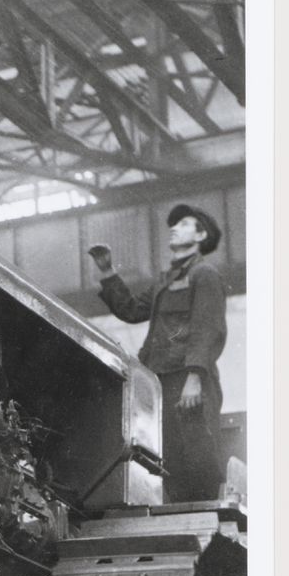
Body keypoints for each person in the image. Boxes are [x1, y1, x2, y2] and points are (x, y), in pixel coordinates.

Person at [87, 204, 227, 502]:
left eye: (184, 224)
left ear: (201, 235)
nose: (174, 228)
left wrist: (195, 377)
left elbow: (208, 328)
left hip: (187, 382)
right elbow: (132, 309)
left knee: (197, 457)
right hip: (160, 382)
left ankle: (208, 517)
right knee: (168, 459)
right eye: (174, 225)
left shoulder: (205, 274)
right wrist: (108, 271)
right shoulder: (167, 281)